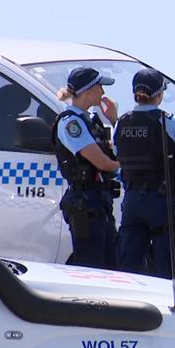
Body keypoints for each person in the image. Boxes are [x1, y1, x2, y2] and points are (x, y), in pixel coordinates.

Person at [114, 68, 175, 279]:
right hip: (160, 200)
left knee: (128, 267)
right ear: (159, 95)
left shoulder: (121, 122)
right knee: (167, 270)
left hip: (131, 200)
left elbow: (116, 155)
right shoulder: (168, 121)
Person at [53, 67, 120, 270]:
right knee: (92, 267)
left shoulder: (90, 120)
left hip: (99, 201)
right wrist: (133, 166)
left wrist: (114, 121)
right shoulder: (71, 123)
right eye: (99, 87)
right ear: (88, 91)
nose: (102, 92)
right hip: (85, 204)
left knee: (111, 265)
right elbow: (103, 163)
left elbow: (113, 154)